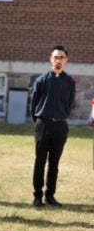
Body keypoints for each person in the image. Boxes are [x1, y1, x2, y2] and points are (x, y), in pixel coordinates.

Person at [31, 45, 76, 207]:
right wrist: (39, 122)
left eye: (62, 57)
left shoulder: (69, 82)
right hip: (43, 124)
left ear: (66, 60)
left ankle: (50, 195)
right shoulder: (42, 80)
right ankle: (37, 195)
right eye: (56, 57)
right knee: (40, 161)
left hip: (60, 126)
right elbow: (34, 103)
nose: (58, 60)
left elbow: (69, 104)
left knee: (54, 163)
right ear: (51, 59)